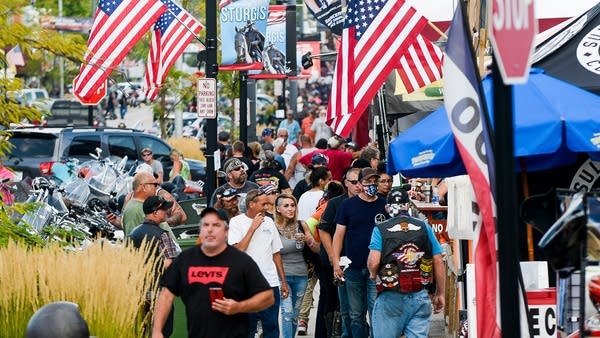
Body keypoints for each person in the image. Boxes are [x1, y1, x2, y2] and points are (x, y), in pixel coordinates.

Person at [152, 207, 275, 338]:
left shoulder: (241, 261)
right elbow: (166, 296)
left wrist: (239, 307)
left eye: (216, 225)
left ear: (226, 231)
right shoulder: (185, 260)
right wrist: (157, 330)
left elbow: (267, 297)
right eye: (205, 225)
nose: (210, 229)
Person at [367, 189, 445, 338]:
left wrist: (372, 274)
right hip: (420, 294)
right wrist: (440, 293)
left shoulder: (380, 229)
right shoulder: (424, 227)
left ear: (387, 208)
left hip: (391, 295)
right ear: (408, 206)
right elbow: (438, 259)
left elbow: (374, 261)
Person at [332, 167, 388, 338]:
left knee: (376, 312)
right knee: (355, 314)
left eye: (374, 182)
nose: (371, 185)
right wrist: (336, 262)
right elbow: (338, 235)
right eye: (368, 182)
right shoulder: (348, 205)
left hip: (376, 268)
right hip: (353, 267)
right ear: (360, 184)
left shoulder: (384, 205)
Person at [228, 188, 289, 338]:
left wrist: (283, 281)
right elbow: (238, 250)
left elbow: (276, 254)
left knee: (272, 327)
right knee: (247, 329)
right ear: (251, 204)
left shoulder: (269, 222)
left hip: (270, 284)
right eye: (263, 204)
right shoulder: (236, 222)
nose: (267, 208)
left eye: (268, 204)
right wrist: (253, 228)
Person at [315, 168, 362, 338]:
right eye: (354, 182)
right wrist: (332, 255)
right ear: (346, 184)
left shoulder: (368, 202)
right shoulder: (335, 203)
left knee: (354, 306)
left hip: (357, 261)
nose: (358, 186)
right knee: (331, 299)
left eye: (360, 181)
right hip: (335, 260)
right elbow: (323, 229)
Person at [129, 195, 180, 337]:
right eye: (164, 210)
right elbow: (169, 264)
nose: (166, 212)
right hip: (159, 294)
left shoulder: (133, 233)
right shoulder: (163, 235)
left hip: (138, 293)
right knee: (163, 331)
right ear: (156, 212)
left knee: (143, 332)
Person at [274, 194, 319, 338]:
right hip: (282, 275)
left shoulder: (302, 225)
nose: (290, 209)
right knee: (287, 312)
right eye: (286, 206)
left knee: (295, 312)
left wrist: (308, 239)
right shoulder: (273, 227)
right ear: (278, 209)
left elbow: (316, 249)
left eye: (293, 205)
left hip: (301, 274)